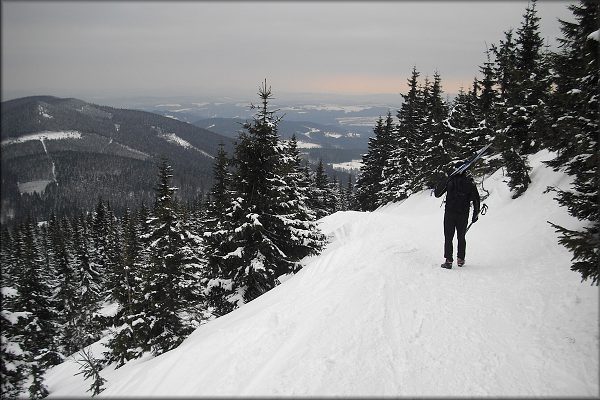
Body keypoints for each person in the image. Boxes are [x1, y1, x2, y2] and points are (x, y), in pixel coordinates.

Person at [434, 160, 480, 269]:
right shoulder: (469, 181)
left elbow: (437, 193)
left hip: (450, 213)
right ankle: (460, 259)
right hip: (463, 214)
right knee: (461, 237)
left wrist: (445, 179)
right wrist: (475, 214)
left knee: (448, 237)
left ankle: (448, 260)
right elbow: (476, 199)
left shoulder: (450, 181)